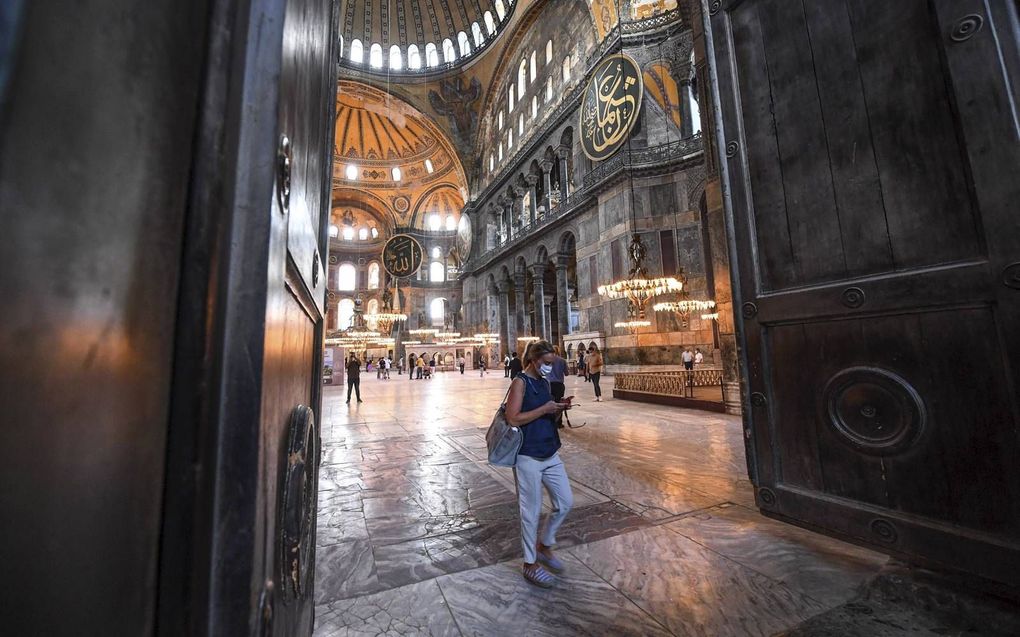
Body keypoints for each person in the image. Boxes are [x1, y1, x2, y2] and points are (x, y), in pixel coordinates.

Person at [504, 340, 573, 588]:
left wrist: (558, 408)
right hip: (528, 456)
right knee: (531, 511)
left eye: (551, 364)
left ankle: (544, 545)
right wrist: (544, 408)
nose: (549, 368)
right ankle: (530, 564)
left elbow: (545, 415)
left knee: (565, 503)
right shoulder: (520, 383)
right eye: (546, 363)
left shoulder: (544, 383)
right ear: (533, 361)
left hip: (550, 452)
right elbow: (513, 418)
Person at [543, 346, 569, 427]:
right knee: (559, 403)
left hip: (548, 385)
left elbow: (542, 373)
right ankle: (558, 423)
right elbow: (567, 373)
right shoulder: (562, 360)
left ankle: (549, 422)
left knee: (549, 403)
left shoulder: (546, 360)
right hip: (559, 385)